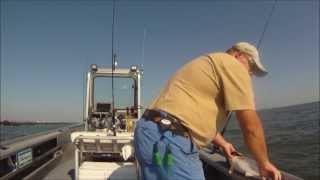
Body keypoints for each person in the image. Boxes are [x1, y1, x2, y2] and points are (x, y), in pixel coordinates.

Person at [134, 42, 281, 180]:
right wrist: (263, 163)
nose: (250, 74)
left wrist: (223, 143)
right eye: (251, 66)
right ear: (238, 55)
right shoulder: (232, 65)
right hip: (171, 140)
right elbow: (250, 126)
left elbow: (189, 115)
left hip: (147, 133)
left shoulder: (206, 64)